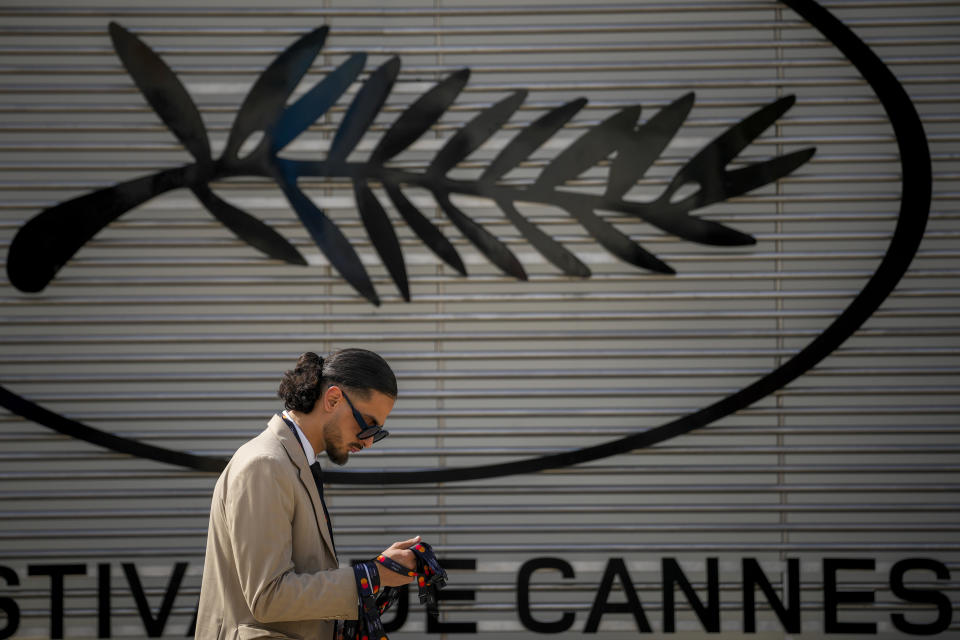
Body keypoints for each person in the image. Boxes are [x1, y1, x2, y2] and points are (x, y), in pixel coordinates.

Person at [195, 349, 419, 640]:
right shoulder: (264, 464)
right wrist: (371, 576)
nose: (369, 443)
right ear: (333, 399)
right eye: (368, 425)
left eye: (378, 433)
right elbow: (268, 597)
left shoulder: (293, 461)